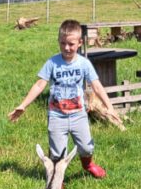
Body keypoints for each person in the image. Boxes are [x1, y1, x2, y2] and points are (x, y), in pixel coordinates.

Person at [9, 19, 122, 177]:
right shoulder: (52, 63)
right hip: (57, 116)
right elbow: (39, 85)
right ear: (58, 42)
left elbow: (96, 85)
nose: (67, 48)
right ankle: (57, 179)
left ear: (80, 43)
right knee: (58, 153)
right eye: (63, 43)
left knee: (87, 147)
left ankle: (88, 165)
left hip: (78, 115)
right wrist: (23, 105)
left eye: (71, 44)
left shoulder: (84, 63)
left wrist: (109, 107)